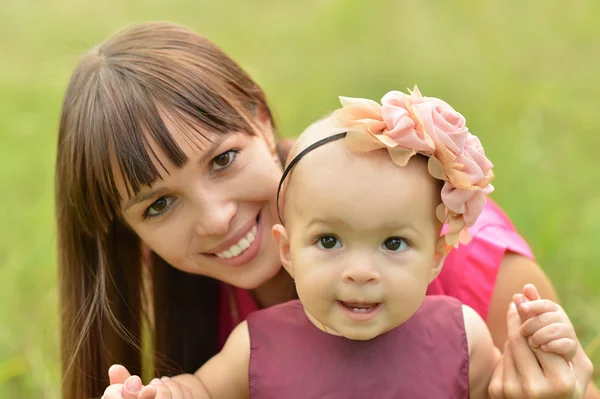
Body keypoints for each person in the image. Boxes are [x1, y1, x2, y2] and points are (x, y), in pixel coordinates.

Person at [55, 21, 595, 399]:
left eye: (222, 159)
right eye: (160, 205)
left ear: (262, 121)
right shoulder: (177, 288)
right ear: (126, 231)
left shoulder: (463, 253)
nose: (216, 218)